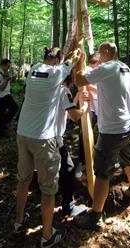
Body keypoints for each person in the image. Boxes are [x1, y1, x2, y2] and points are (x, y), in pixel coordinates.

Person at [14, 47, 81, 248]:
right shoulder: (57, 75)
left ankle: (18, 221)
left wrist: (65, 57)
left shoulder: (34, 69)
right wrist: (76, 54)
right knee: (48, 188)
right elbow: (73, 62)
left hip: (23, 134)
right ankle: (47, 235)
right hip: (44, 139)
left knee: (24, 179)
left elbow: (62, 66)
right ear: (59, 60)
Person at [74, 41, 130, 231]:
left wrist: (80, 60)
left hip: (113, 130)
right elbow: (110, 91)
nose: (98, 56)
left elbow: (79, 80)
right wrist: (92, 94)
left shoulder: (107, 67)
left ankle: (95, 216)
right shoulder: (124, 67)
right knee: (129, 161)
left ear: (105, 52)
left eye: (100, 53)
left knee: (102, 173)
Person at [57, 73, 88, 217]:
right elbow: (75, 116)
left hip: (31, 136)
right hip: (52, 139)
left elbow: (68, 113)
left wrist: (76, 99)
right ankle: (68, 206)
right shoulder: (63, 90)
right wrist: (85, 106)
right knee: (68, 169)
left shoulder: (48, 87)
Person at [75, 52, 101, 179]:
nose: (94, 67)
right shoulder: (88, 70)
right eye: (92, 65)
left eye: (95, 65)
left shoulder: (104, 70)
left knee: (103, 134)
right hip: (89, 108)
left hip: (102, 108)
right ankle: (82, 162)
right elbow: (79, 81)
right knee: (83, 134)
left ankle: (101, 160)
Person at [0, 58, 18, 138]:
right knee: (11, 109)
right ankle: (0, 132)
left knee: (7, 112)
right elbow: (1, 88)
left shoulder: (5, 72)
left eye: (9, 66)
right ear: (2, 65)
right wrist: (6, 80)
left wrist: (11, 79)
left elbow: (7, 84)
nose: (8, 68)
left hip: (6, 95)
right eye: (7, 66)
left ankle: (2, 128)